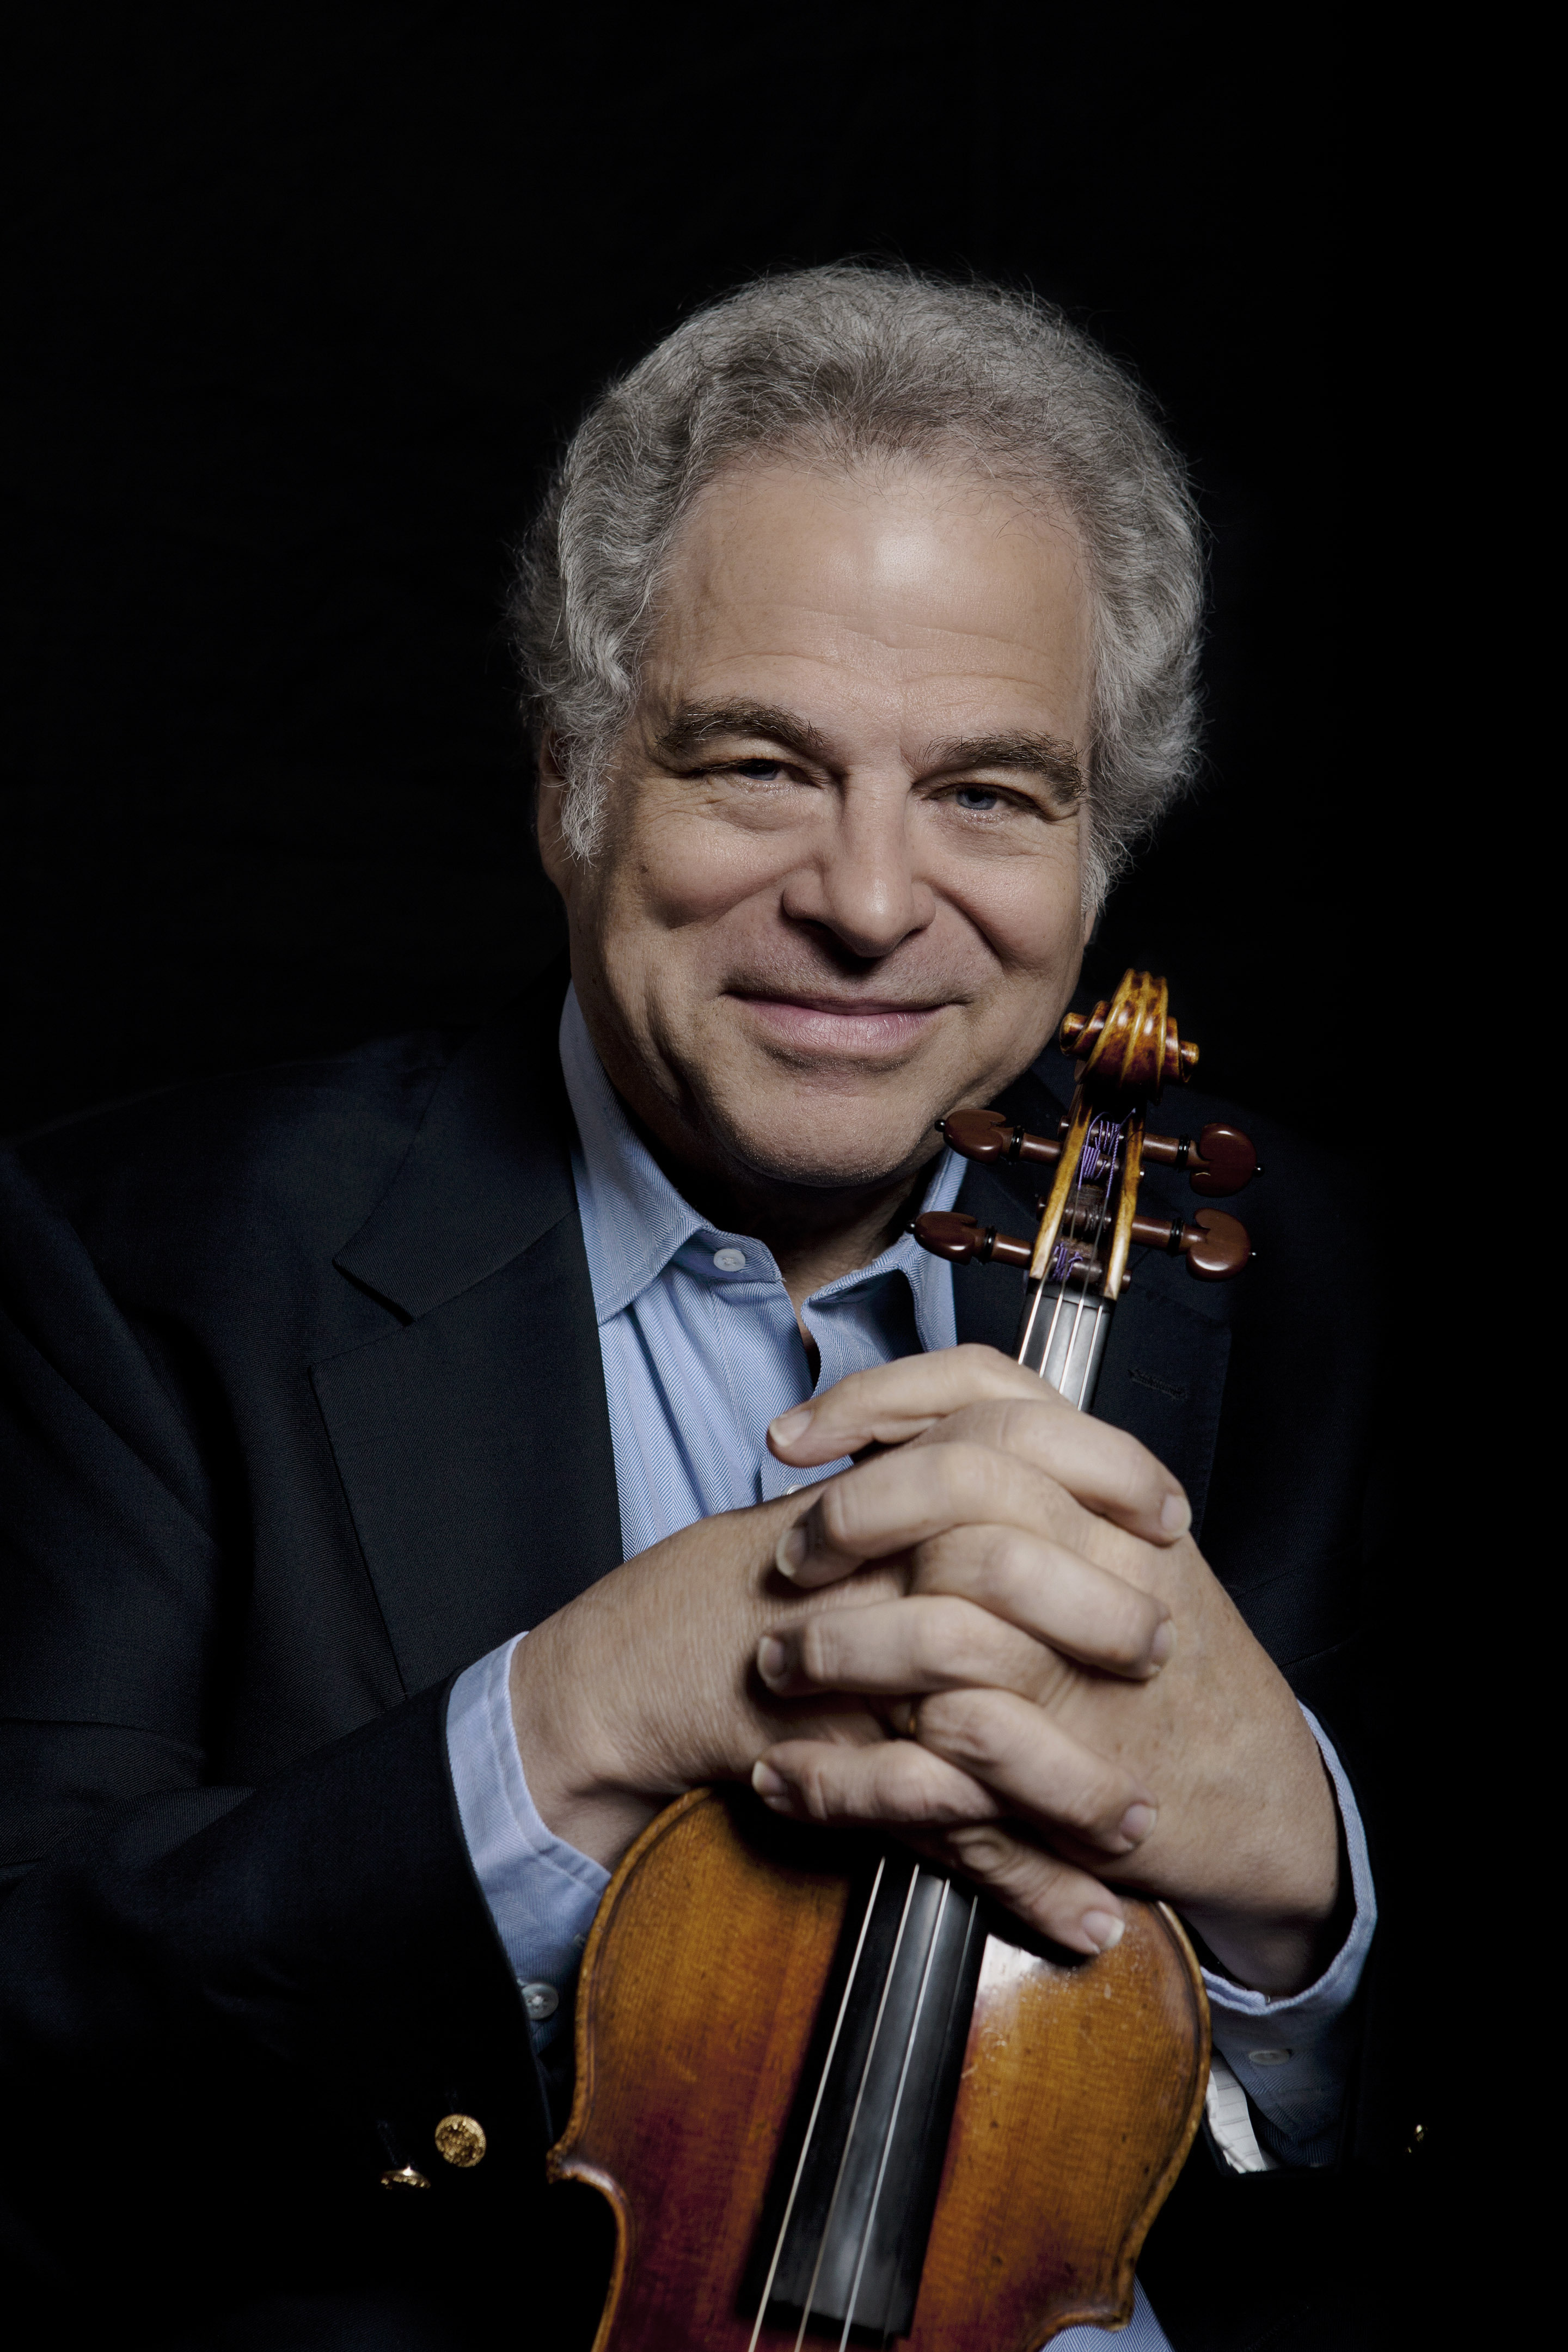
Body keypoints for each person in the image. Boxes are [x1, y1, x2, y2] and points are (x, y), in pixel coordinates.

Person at [0, 267, 1398, 2349]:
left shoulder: (1332, 1295)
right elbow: (33, 2028)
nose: (863, 895)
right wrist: (558, 1731)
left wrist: (1310, 1895)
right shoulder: (140, 1259)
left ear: (1101, 853)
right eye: (757, 764)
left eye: (991, 793)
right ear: (574, 779)